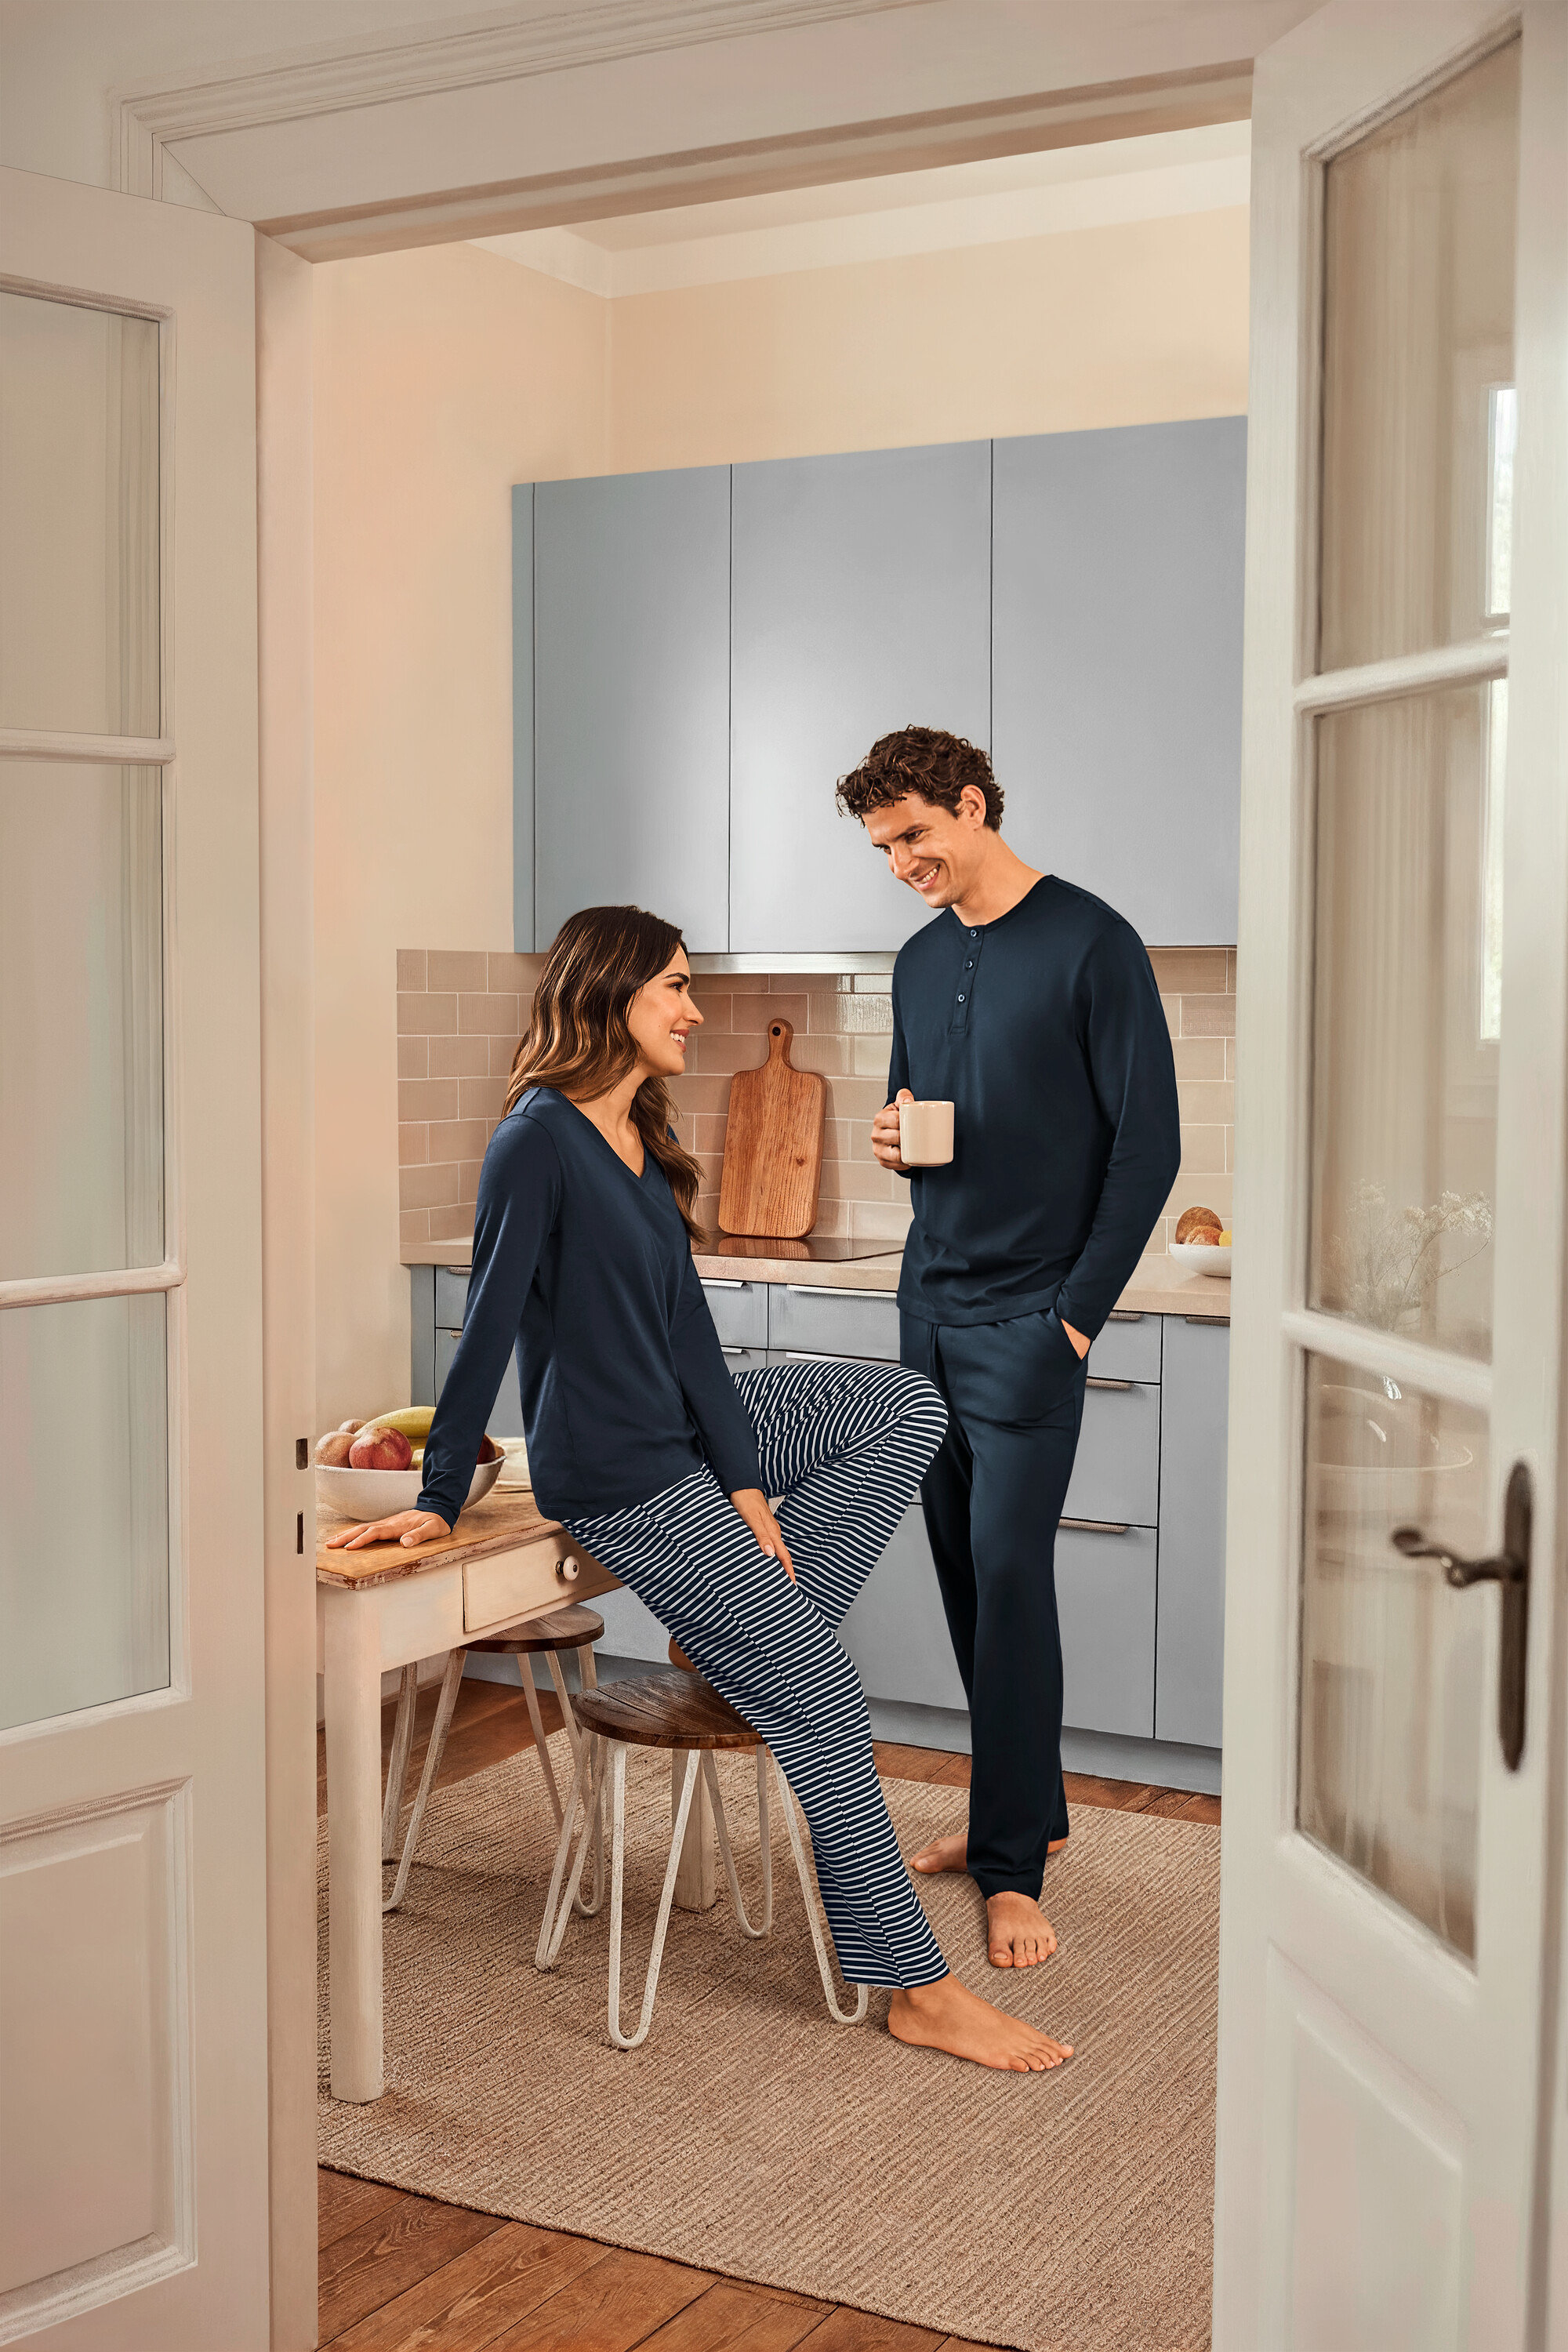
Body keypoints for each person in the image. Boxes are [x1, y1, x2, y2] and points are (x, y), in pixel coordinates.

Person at [329, 902, 1073, 2073]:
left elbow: (685, 1332)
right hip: (618, 1471)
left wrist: (746, 1485)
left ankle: (741, 1642)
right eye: (674, 986)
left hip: (686, 1432)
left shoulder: (641, 1134)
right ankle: (912, 1983)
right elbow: (483, 1328)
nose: (694, 1007)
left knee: (904, 1407)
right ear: (611, 994)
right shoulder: (536, 1138)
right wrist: (440, 1486)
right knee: (821, 1688)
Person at [837, 728, 1181, 1972]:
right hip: (926, 1310)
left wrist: (1075, 1320)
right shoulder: (921, 962)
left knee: (1011, 1580)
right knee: (966, 1583)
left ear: (972, 807)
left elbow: (1148, 1151)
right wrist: (889, 1136)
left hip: (1032, 1323)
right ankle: (1023, 1811)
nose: (903, 864)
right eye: (884, 849)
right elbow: (914, 1106)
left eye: (916, 836)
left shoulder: (1094, 941)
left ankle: (1010, 1871)